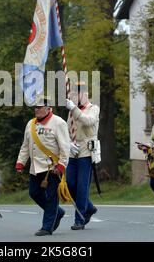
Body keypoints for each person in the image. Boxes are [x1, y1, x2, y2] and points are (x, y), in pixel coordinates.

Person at [15, 95, 70, 236]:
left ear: (48, 108)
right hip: (36, 167)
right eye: (35, 107)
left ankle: (47, 227)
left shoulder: (58, 123)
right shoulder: (30, 124)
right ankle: (57, 212)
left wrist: (62, 165)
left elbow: (65, 147)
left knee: (52, 197)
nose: (37, 110)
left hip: (53, 168)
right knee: (34, 193)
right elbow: (25, 146)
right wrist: (21, 162)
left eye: (40, 107)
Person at [65, 81, 100, 230]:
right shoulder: (72, 112)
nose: (73, 96)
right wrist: (68, 143)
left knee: (81, 187)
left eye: (76, 94)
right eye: (72, 94)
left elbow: (88, 121)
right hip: (73, 151)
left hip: (86, 151)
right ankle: (89, 207)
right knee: (70, 184)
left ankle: (79, 219)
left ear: (84, 94)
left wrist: (74, 109)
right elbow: (67, 129)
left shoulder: (93, 109)